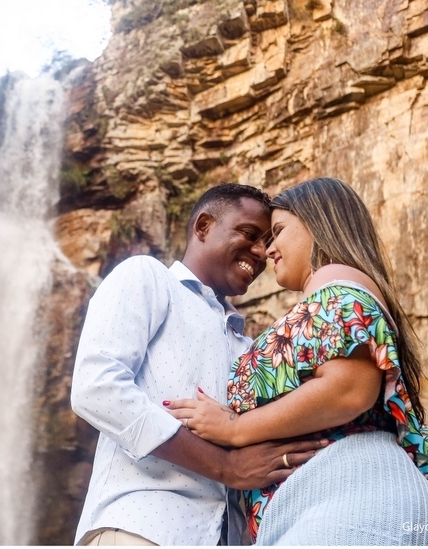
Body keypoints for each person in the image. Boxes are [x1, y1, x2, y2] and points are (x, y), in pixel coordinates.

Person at [167, 177, 428, 545]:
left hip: (346, 502)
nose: (268, 250)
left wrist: (233, 429)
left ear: (318, 223)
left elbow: (348, 391)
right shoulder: (336, 292)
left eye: (277, 232)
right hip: (344, 504)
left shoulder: (333, 280)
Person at [70, 183, 326, 546]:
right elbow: (96, 388)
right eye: (250, 234)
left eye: (268, 240)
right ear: (203, 226)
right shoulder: (148, 277)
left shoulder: (249, 347)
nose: (261, 251)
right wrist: (226, 468)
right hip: (140, 528)